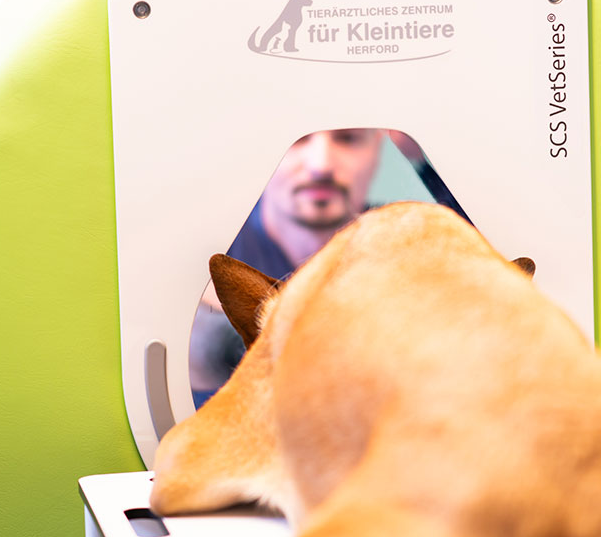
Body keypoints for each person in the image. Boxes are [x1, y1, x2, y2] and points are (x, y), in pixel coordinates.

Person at [189, 128, 465, 406]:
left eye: (348, 139)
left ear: (378, 149)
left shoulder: (411, 238)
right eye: (297, 140)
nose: (321, 165)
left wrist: (421, 158)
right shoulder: (202, 262)